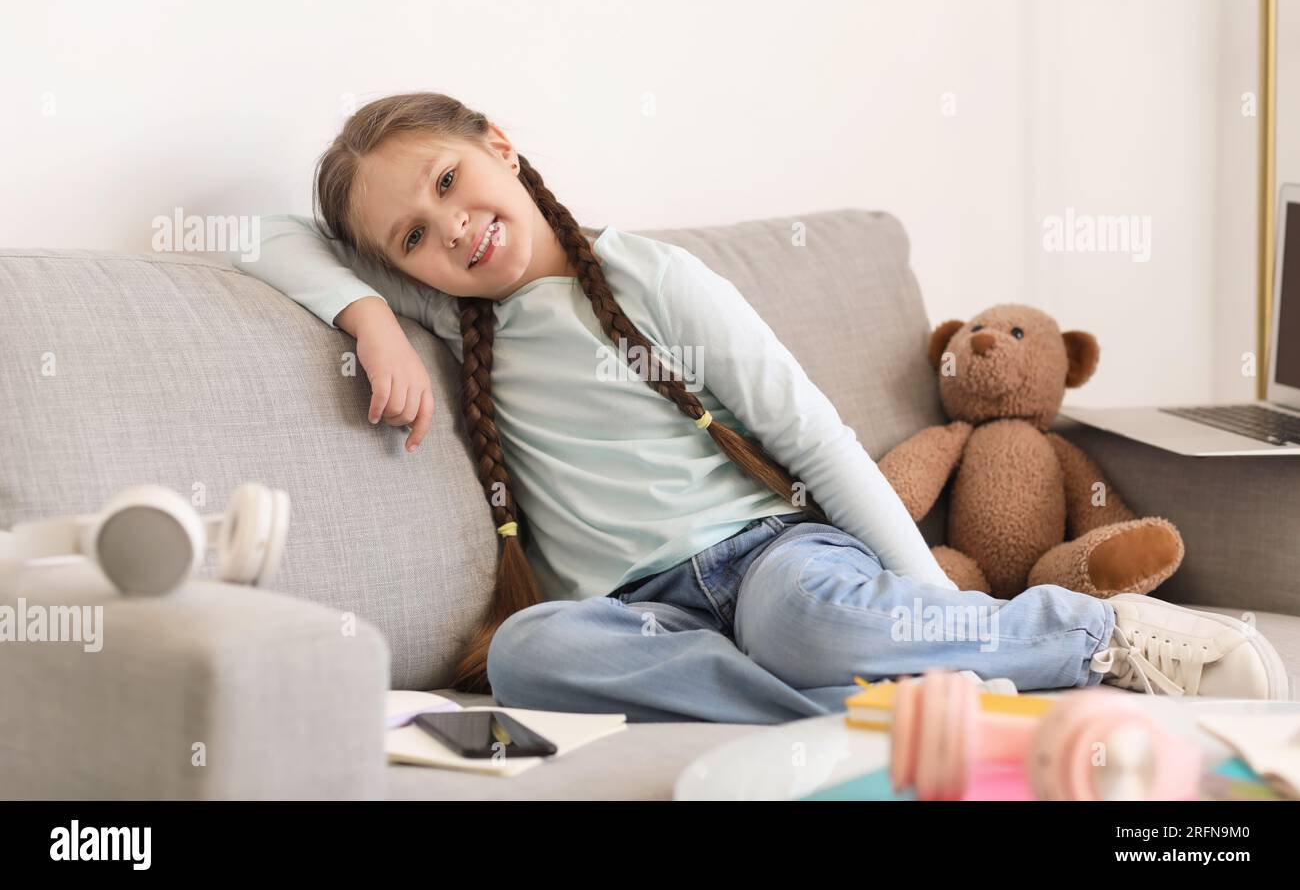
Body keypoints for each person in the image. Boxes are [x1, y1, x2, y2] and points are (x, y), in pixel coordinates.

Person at [231, 91, 1290, 723]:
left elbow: (816, 444)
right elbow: (261, 235)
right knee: (525, 653)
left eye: (452, 181)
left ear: (500, 146)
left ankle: (1093, 638)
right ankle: (872, 696)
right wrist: (371, 315)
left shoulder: (650, 278)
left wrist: (937, 613)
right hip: (643, 611)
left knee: (797, 617)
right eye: (410, 234)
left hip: (767, 558)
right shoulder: (446, 308)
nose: (448, 227)